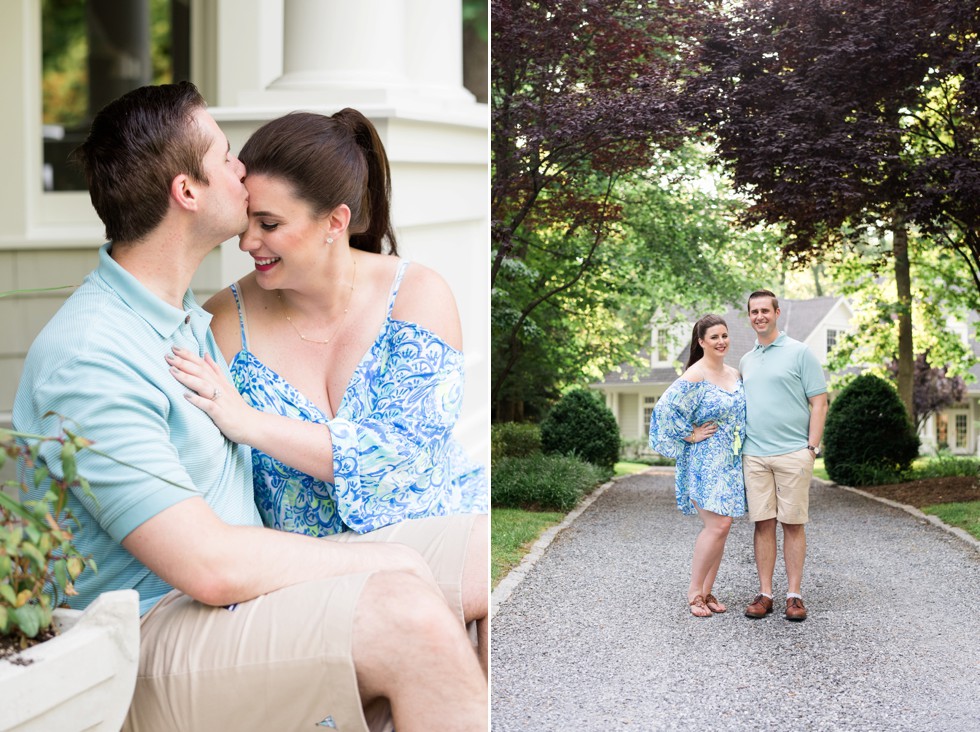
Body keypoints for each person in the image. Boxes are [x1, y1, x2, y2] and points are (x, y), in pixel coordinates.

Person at [13, 82, 486, 732]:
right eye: (226, 154)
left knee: (476, 561)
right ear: (188, 192)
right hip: (150, 634)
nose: (243, 170)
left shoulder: (175, 322)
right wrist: (388, 561)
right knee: (408, 620)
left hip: (234, 598)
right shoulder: (93, 357)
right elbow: (208, 565)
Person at [164, 108, 489, 666]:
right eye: (246, 221)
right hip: (308, 571)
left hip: (436, 529)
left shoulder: (417, 296)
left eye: (268, 224)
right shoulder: (221, 324)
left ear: (335, 221)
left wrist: (253, 424)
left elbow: (402, 462)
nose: (247, 243)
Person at [649, 314, 747, 617]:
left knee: (724, 525)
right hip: (704, 458)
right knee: (717, 524)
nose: (721, 342)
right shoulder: (696, 374)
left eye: (724, 336)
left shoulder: (734, 373)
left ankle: (707, 591)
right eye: (714, 337)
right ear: (701, 342)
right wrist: (690, 435)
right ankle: (694, 593)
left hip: (730, 460)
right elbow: (663, 411)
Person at [739, 290, 828, 622]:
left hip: (793, 454)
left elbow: (819, 401)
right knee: (763, 524)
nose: (759, 316)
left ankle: (795, 596)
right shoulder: (746, 360)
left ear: (777, 312)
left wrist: (811, 449)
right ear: (749, 317)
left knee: (792, 524)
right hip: (755, 456)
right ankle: (765, 594)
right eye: (753, 311)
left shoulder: (800, 353)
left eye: (765, 310)